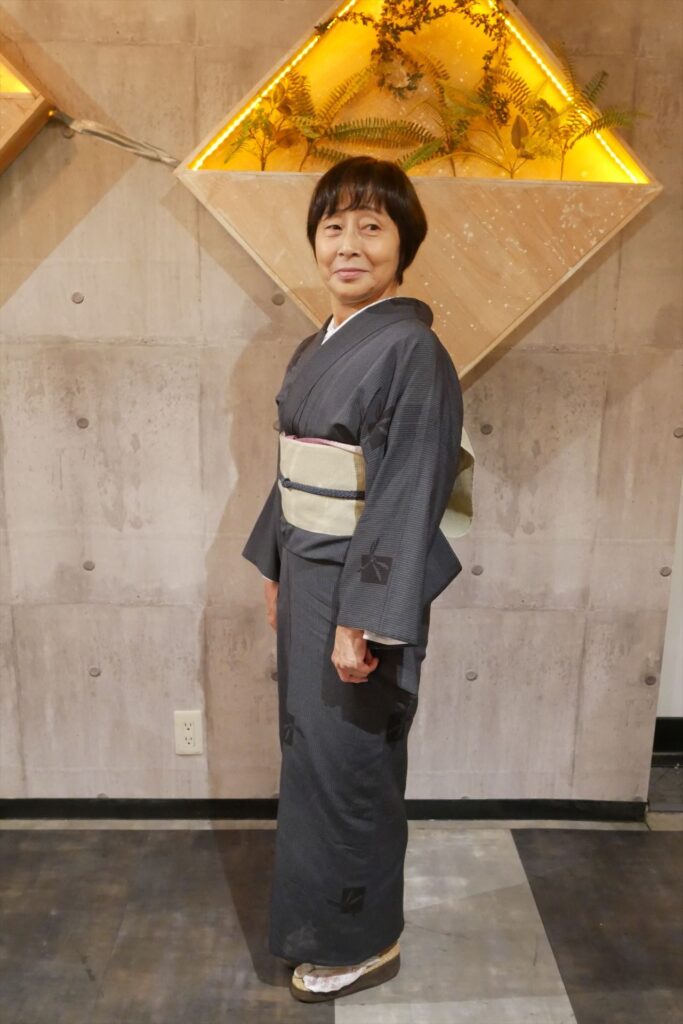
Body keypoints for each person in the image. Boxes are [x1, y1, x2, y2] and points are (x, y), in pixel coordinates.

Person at [241, 155, 467, 1003]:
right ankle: (320, 923)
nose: (348, 245)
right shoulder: (317, 345)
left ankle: (361, 937)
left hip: (359, 590)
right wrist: (276, 566)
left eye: (371, 227)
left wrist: (360, 618)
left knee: (349, 762)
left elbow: (408, 491)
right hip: (309, 576)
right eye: (332, 226)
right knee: (311, 754)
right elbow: (293, 470)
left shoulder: (413, 351)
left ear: (403, 245)